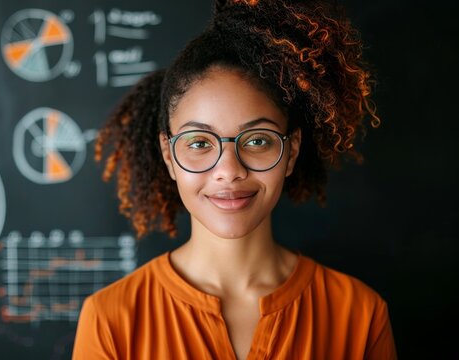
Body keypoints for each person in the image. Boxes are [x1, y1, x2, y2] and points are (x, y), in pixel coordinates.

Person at [73, 0, 397, 359]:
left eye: (257, 140)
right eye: (199, 143)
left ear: (290, 152)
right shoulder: (111, 320)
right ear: (169, 155)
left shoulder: (358, 314)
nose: (229, 170)